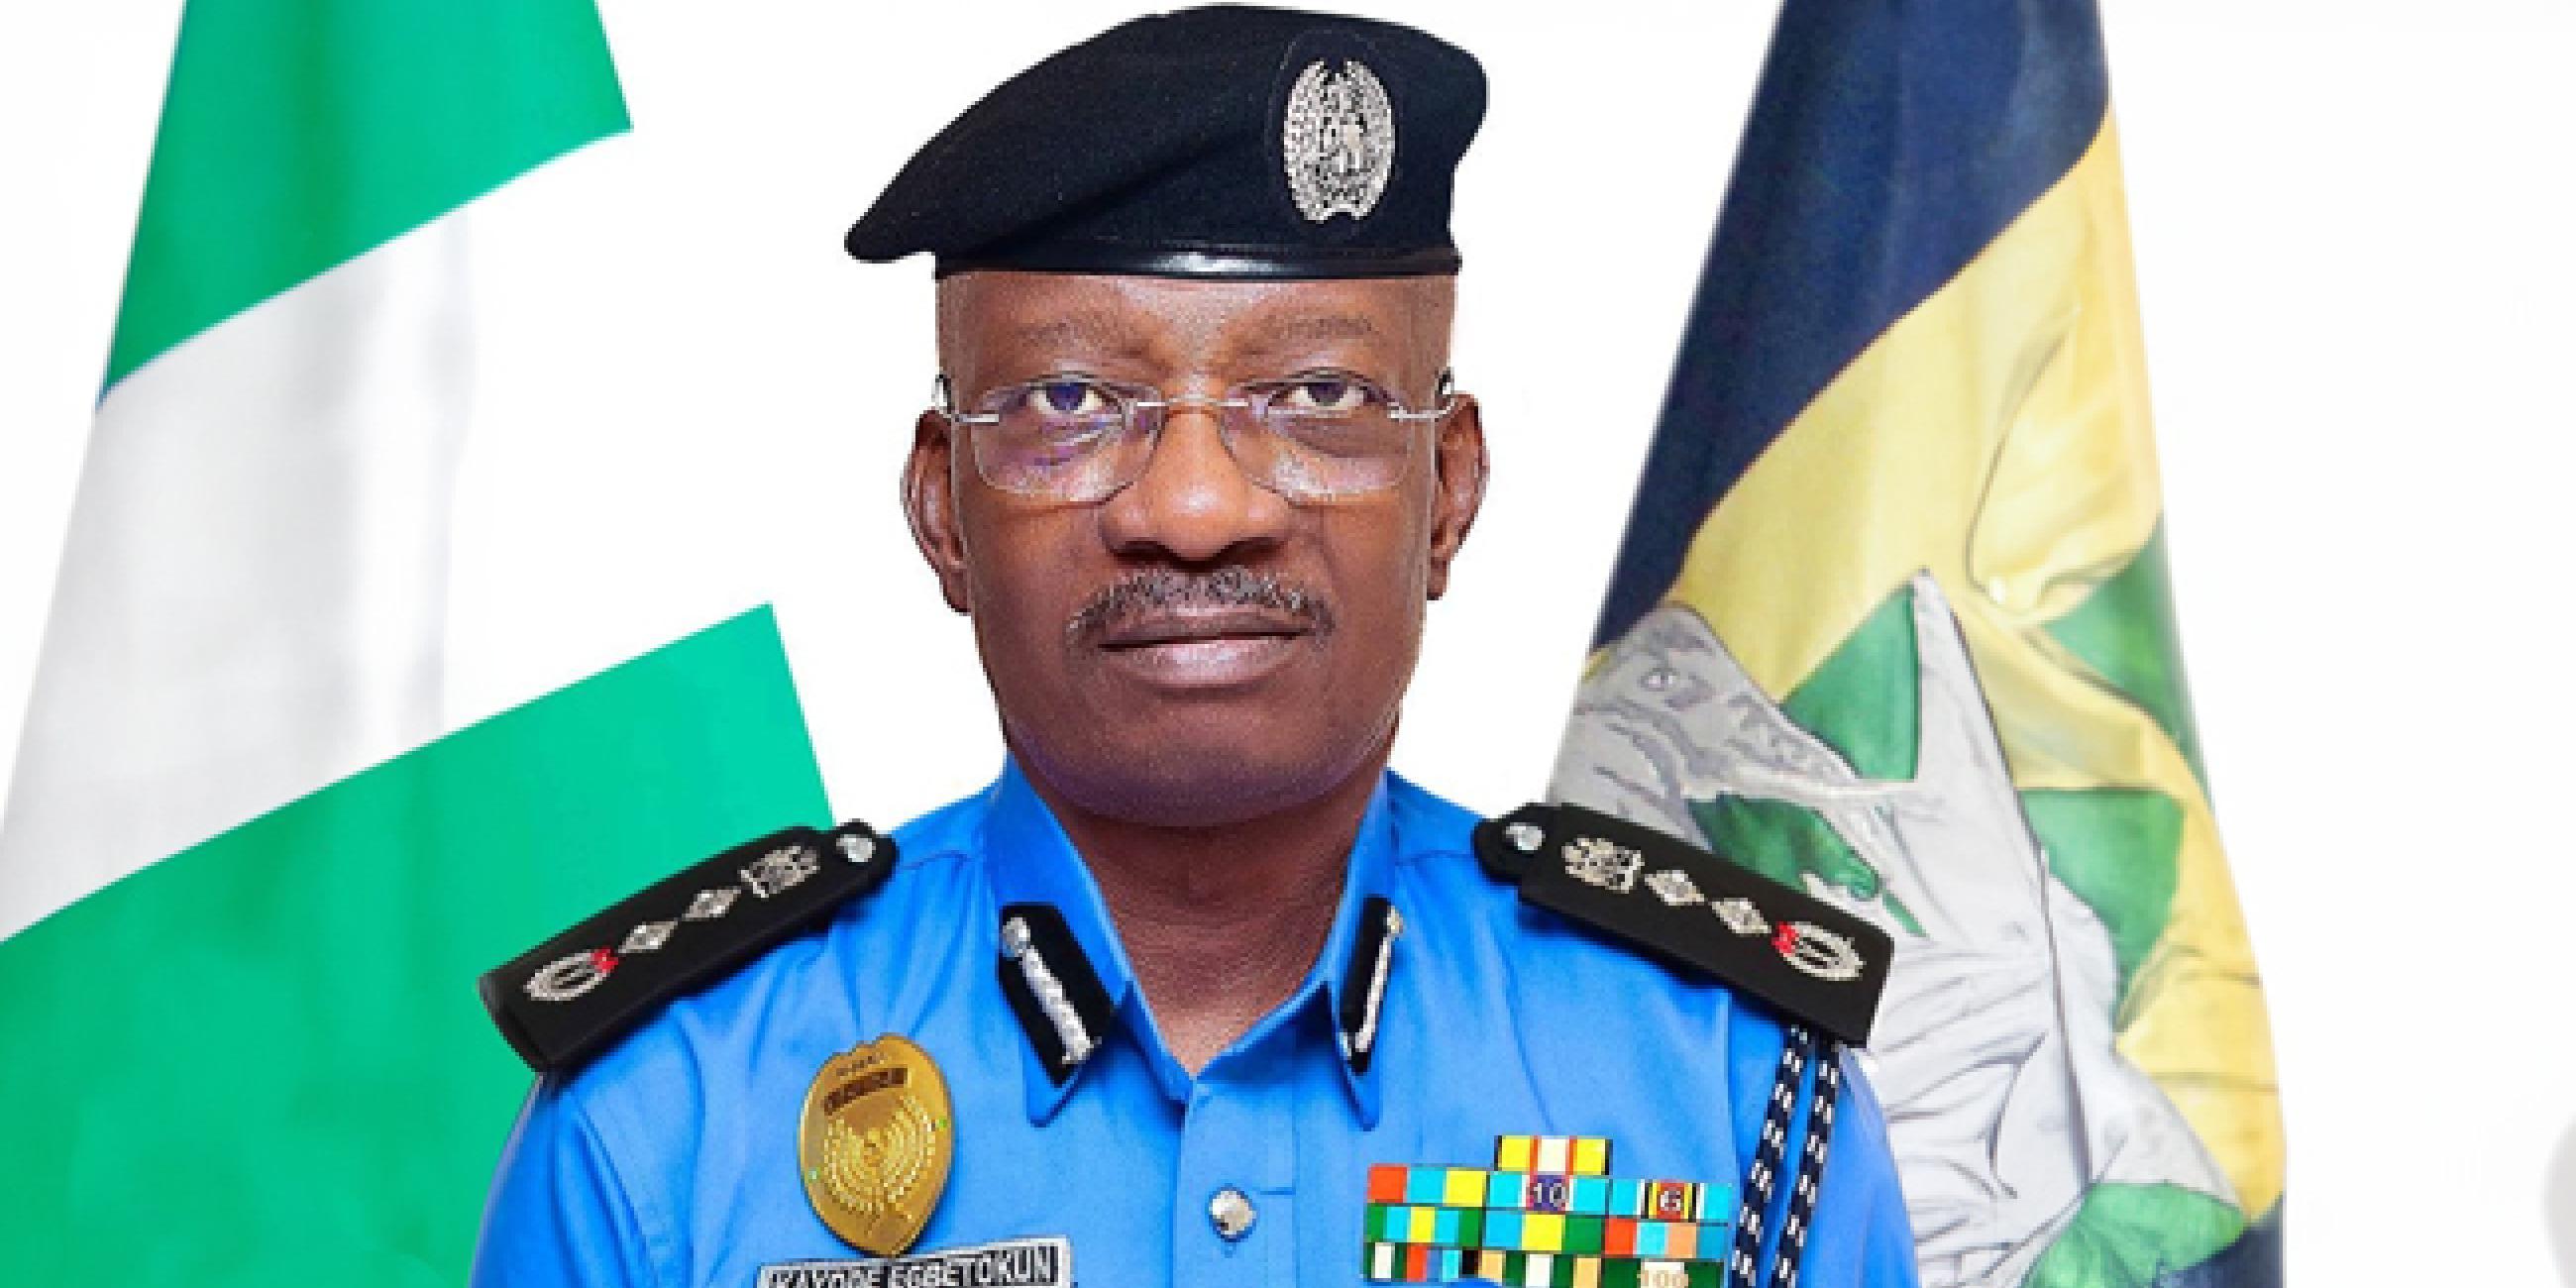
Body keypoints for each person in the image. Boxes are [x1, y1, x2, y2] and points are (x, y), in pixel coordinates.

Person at [470, 9, 1919, 1287]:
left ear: (1450, 489)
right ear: (942, 508)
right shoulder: (663, 1124)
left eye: (1320, 394)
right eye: (1068, 402)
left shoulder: (1732, 1092)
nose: (1196, 509)